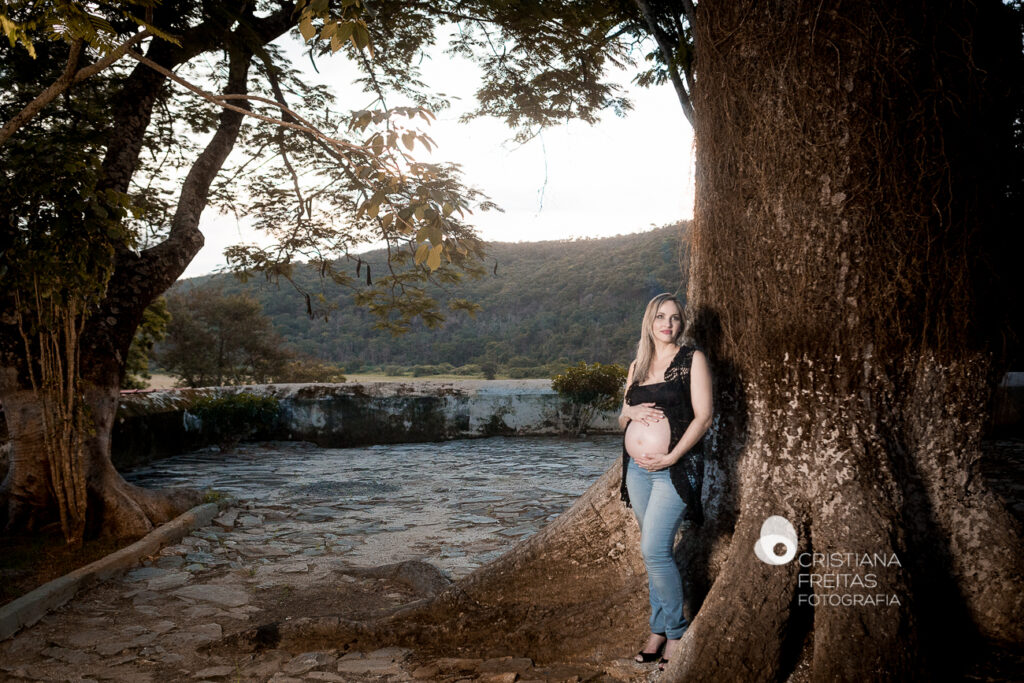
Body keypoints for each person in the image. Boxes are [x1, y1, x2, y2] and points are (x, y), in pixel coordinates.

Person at [618, 293, 713, 669]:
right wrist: (630, 411)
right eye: (661, 316)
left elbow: (703, 418)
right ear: (650, 321)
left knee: (655, 550)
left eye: (675, 318)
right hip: (637, 471)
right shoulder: (637, 365)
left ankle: (675, 634)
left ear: (681, 324)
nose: (668, 324)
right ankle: (657, 629)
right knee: (652, 550)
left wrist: (672, 456)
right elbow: (622, 419)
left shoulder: (693, 360)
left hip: (674, 468)